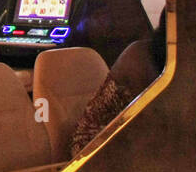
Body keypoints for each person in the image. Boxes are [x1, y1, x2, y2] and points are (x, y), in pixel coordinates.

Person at [68, 10, 167, 156]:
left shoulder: (173, 61)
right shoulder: (140, 58)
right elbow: (161, 123)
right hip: (92, 152)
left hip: (133, 147)